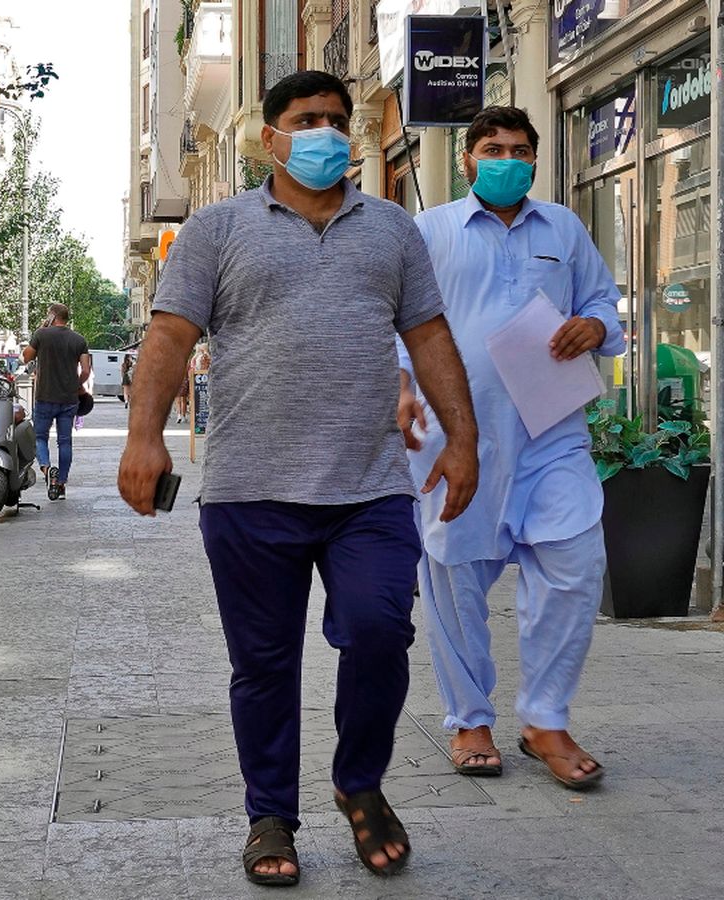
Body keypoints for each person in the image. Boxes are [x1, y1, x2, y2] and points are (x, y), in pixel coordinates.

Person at [117, 70, 480, 886]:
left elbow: (428, 338)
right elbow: (171, 337)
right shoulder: (217, 229)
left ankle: (361, 783)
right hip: (250, 490)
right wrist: (144, 438)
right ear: (269, 137)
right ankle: (270, 815)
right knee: (265, 666)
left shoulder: (391, 228)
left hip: (370, 488)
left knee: (381, 629)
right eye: (305, 118)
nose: (324, 132)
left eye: (335, 119)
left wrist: (464, 440)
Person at [399, 106, 623, 789]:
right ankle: (470, 718)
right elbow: (393, 317)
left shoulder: (564, 227)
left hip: (551, 432)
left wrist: (592, 325)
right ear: (468, 159)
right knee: (456, 582)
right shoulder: (429, 230)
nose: (507, 159)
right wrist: (399, 386)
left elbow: (606, 305)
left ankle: (545, 720)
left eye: (520, 149)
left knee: (576, 564)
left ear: (535, 158)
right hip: (455, 438)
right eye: (493, 148)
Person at [21, 303, 90, 498]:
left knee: (40, 437)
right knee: (65, 442)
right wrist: (77, 385)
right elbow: (85, 371)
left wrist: (42, 329)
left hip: (44, 396)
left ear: (52, 316)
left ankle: (47, 469)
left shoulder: (42, 335)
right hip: (69, 399)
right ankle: (60, 483)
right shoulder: (79, 340)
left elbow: (26, 357)